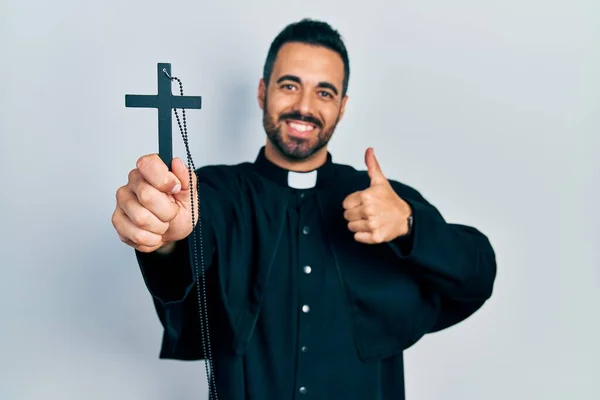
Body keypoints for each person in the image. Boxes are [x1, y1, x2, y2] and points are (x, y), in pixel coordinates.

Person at [111, 18, 497, 400]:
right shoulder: (214, 192)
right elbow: (190, 237)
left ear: (342, 107)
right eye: (290, 85)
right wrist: (166, 240)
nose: (303, 107)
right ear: (263, 92)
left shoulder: (381, 201)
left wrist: (410, 226)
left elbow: (477, 272)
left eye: (324, 93)